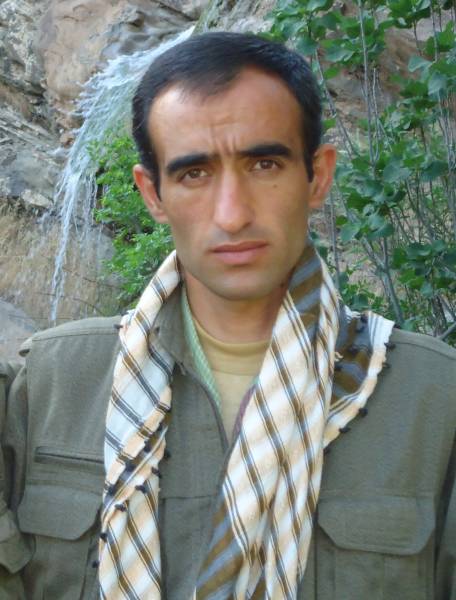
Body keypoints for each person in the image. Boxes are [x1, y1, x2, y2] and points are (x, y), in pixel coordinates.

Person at [0, 32, 455, 600]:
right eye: (194, 173)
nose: (233, 215)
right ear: (152, 194)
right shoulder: (51, 384)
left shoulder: (434, 399)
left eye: (264, 164)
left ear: (317, 176)